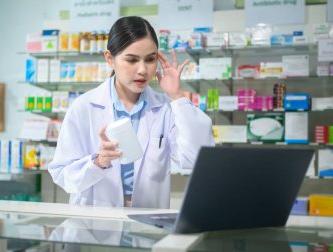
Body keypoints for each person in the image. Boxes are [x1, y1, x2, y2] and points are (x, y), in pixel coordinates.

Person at [48, 16, 215, 209]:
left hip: (147, 218)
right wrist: (98, 162)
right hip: (95, 222)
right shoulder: (84, 107)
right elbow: (62, 174)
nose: (143, 70)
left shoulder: (165, 108)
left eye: (150, 59)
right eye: (132, 60)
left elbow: (195, 158)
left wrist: (177, 95)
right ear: (110, 58)